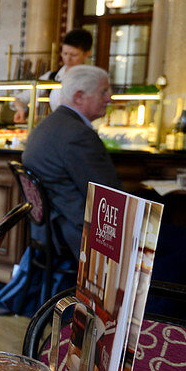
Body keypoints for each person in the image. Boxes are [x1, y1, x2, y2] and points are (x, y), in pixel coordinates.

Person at [21, 65, 120, 259]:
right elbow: (111, 197)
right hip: (77, 233)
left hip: (47, 229)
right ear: (79, 97)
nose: (110, 98)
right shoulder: (79, 135)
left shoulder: (46, 126)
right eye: (104, 92)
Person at [13, 28, 94, 123]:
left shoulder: (92, 80)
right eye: (65, 54)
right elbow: (21, 98)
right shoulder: (52, 77)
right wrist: (21, 109)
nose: (68, 59)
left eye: (74, 55)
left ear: (87, 54)